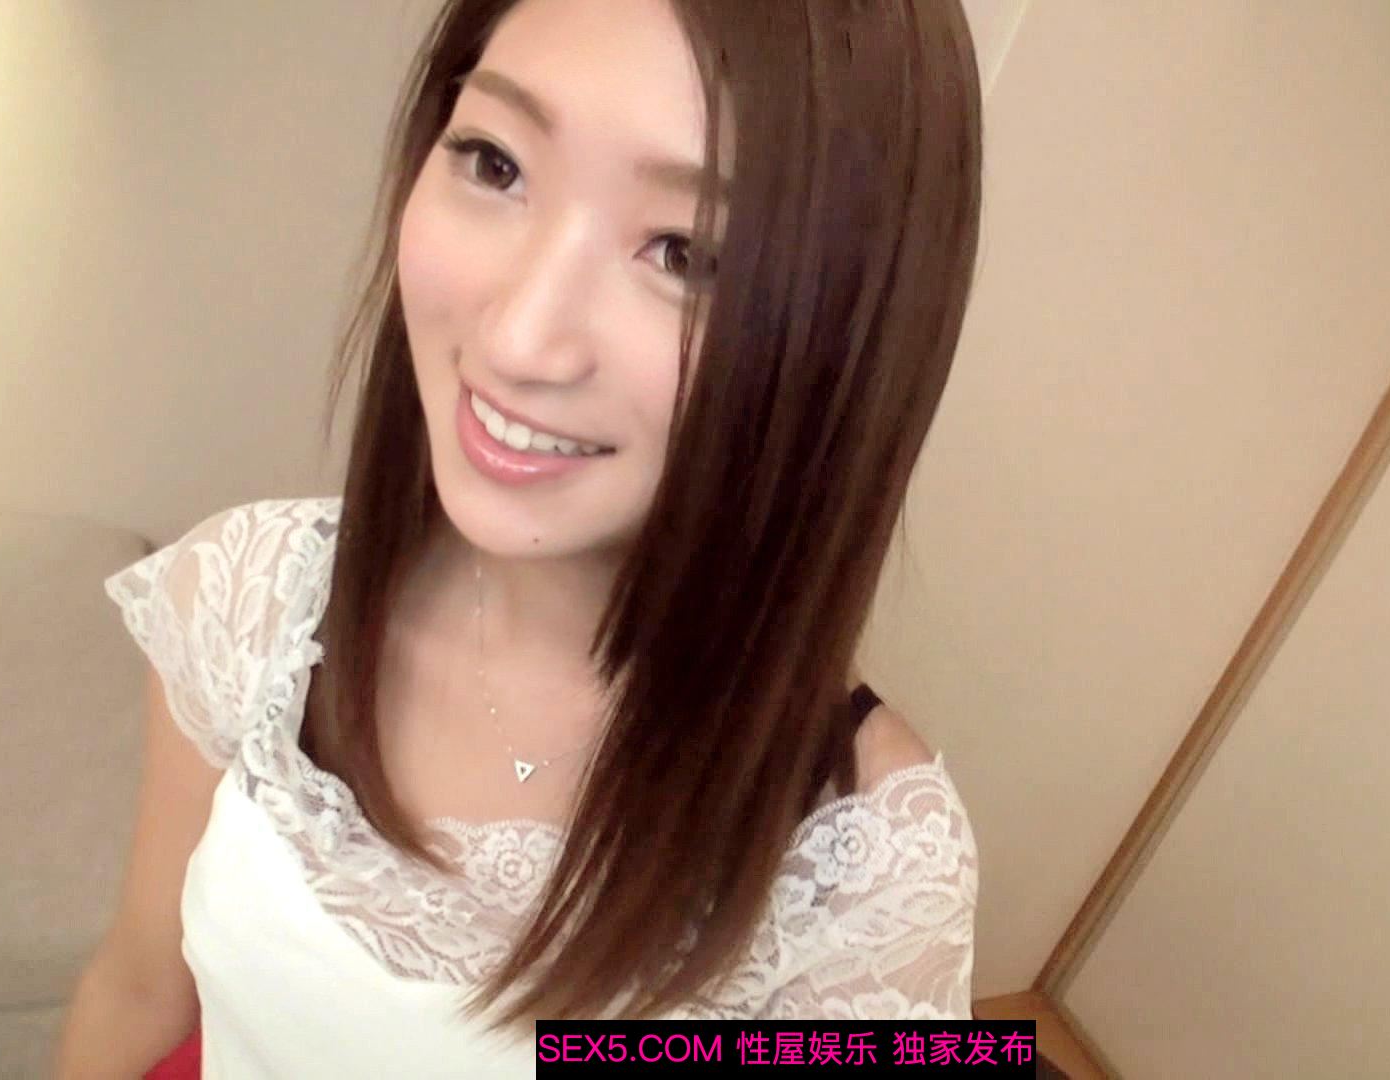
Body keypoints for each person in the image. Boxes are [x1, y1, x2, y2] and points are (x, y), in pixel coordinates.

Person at [54, 0, 984, 1074]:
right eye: (494, 165)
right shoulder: (249, 604)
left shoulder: (868, 870)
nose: (519, 339)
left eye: (685, 253)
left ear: (848, 334)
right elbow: (139, 984)